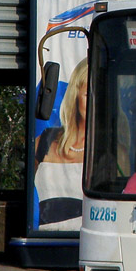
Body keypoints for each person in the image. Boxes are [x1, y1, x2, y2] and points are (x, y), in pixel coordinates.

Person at [34, 57, 89, 230]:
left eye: (101, 94)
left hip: (90, 243)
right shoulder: (44, 141)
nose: (95, 101)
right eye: (88, 94)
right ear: (76, 96)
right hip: (45, 242)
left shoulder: (114, 150)